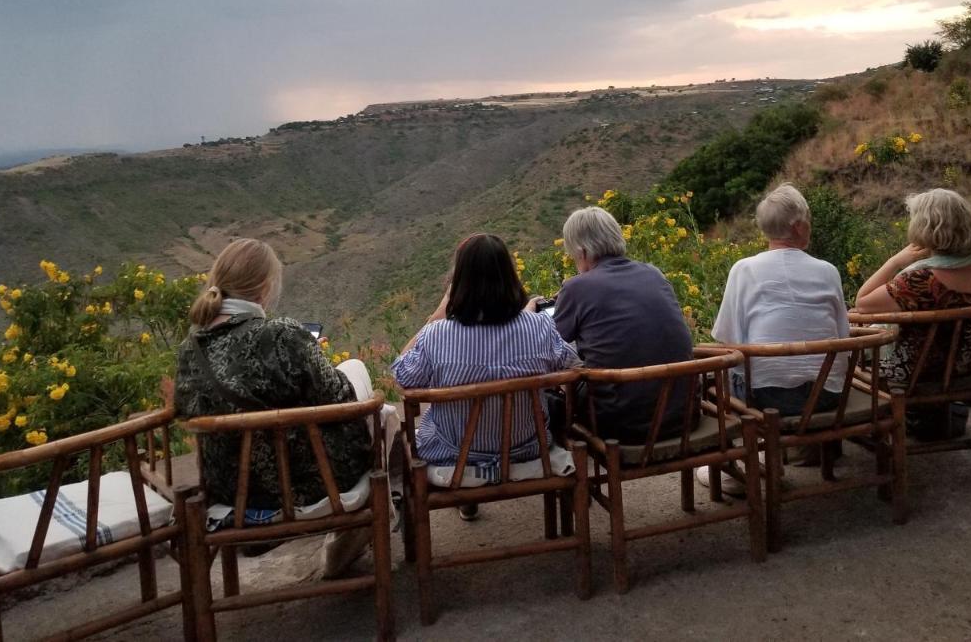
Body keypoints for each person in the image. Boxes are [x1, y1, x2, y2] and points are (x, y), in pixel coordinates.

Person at [175, 238, 391, 575]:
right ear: (263, 289)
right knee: (358, 377)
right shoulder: (282, 336)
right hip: (308, 490)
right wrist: (309, 355)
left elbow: (188, 407)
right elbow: (342, 400)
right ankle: (373, 524)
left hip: (233, 496)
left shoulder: (190, 349)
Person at [391, 233, 580, 520]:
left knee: (420, 436)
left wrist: (437, 314)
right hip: (527, 450)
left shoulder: (436, 336)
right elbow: (573, 365)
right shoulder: (538, 328)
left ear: (459, 285)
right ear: (510, 276)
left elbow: (402, 379)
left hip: (454, 458)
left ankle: (464, 498)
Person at [700, 183, 850, 491]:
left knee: (724, 376)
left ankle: (738, 469)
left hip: (766, 400)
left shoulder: (744, 270)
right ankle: (814, 448)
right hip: (827, 396)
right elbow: (842, 338)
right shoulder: (828, 271)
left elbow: (726, 341)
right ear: (799, 226)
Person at [855, 189, 971, 438]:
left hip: (916, 373)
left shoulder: (919, 279)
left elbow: (863, 301)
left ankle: (867, 425)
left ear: (925, 227)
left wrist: (894, 262)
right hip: (965, 365)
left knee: (853, 335)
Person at [553, 206, 697, 444]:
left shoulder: (576, 287)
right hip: (683, 418)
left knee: (557, 395)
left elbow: (549, 347)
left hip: (621, 427)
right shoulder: (654, 274)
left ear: (583, 251)